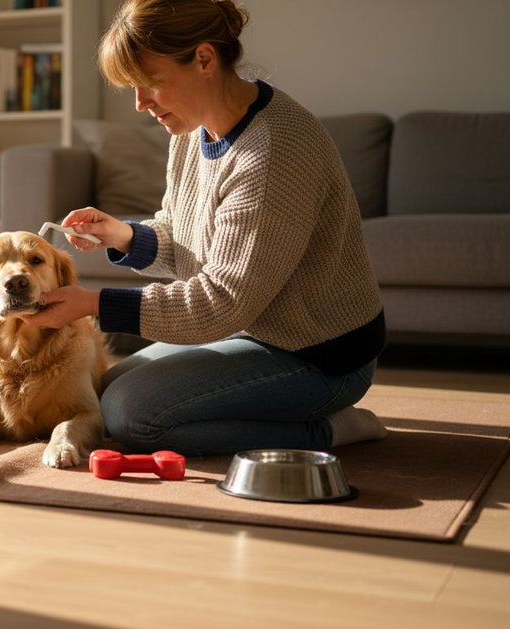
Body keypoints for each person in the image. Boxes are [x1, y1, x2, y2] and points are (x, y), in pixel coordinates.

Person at [19, 0, 388, 457]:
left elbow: (222, 302)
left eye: (150, 83)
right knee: (108, 387)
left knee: (132, 416)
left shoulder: (272, 153)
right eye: (132, 88)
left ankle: (328, 430)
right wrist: (124, 236)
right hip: (252, 328)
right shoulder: (194, 130)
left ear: (205, 59)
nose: (141, 104)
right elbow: (187, 238)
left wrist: (91, 304)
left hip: (318, 354)